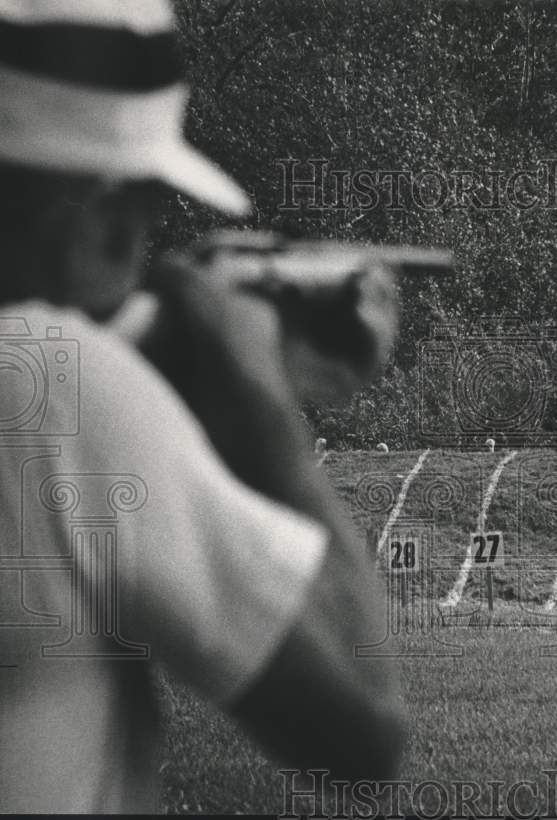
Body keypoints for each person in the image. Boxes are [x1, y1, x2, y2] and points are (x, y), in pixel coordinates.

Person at [0, 0, 404, 813]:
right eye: (147, 209)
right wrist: (246, 375)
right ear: (99, 219)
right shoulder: (56, 385)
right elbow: (364, 731)